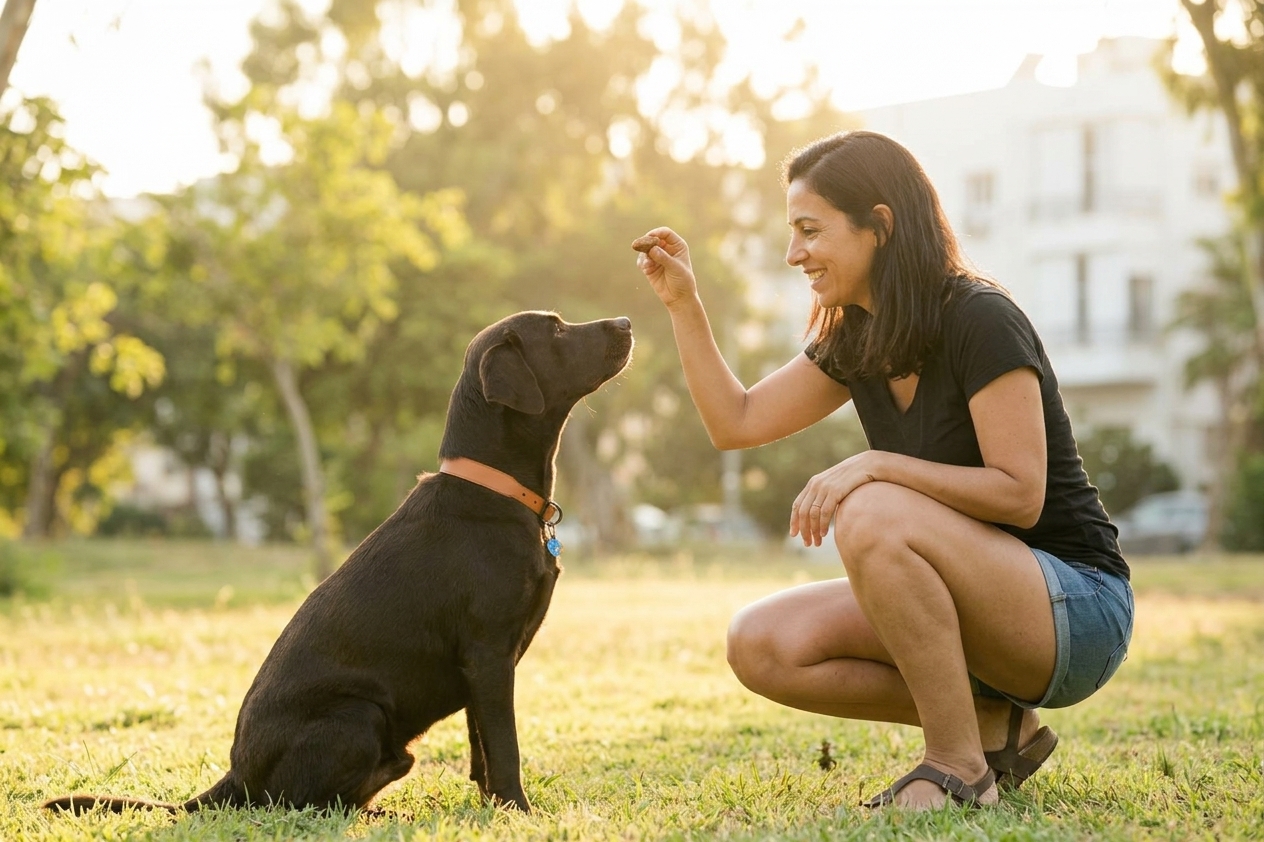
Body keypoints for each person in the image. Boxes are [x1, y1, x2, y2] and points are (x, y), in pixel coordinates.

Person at [632, 130, 1134, 811]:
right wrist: (682, 304)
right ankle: (994, 731)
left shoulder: (980, 318)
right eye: (792, 232)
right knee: (762, 644)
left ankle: (958, 768)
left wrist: (877, 466)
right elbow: (738, 422)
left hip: (1076, 609)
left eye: (811, 230)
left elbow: (1020, 495)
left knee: (870, 506)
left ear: (880, 226)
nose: (793, 254)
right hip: (981, 602)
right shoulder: (859, 338)